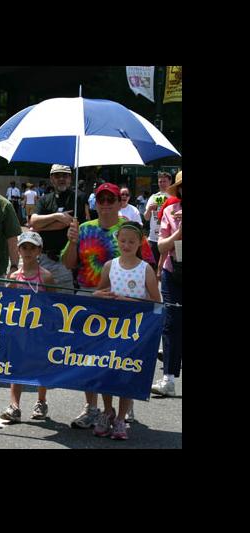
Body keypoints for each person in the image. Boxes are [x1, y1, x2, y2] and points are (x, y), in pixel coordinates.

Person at [61, 183, 155, 428]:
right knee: (88, 357)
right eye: (100, 199)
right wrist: (72, 242)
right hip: (90, 297)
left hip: (123, 304)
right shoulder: (83, 228)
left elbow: (147, 266)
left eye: (110, 199)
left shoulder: (129, 229)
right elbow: (69, 264)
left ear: (118, 202)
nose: (105, 204)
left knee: (120, 358)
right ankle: (92, 407)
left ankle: (124, 403)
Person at [91, 221, 162, 440]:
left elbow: (156, 301)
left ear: (140, 242)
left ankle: (121, 418)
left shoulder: (145, 269)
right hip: (110, 329)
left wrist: (129, 301)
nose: (127, 245)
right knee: (106, 370)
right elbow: (100, 291)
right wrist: (99, 295)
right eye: (123, 241)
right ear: (117, 241)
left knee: (126, 374)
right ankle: (107, 411)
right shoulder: (110, 265)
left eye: (132, 242)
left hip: (134, 331)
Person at [0, 231, 55, 424]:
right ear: (19, 250)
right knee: (17, 365)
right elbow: (6, 302)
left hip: (40, 329)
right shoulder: (15, 276)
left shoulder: (46, 276)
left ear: (39, 250)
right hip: (20, 330)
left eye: (32, 248)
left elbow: (54, 303)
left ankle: (41, 401)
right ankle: (14, 405)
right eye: (24, 247)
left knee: (40, 364)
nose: (28, 251)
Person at [28, 164, 87, 293]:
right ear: (51, 179)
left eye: (65, 176)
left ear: (70, 178)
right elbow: (33, 221)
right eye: (57, 176)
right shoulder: (44, 199)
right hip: (44, 259)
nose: (61, 179)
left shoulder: (78, 199)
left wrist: (41, 226)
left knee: (64, 300)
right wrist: (57, 216)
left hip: (67, 262)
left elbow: (71, 224)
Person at [152, 170, 182, 397]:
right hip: (173, 272)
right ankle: (168, 379)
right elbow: (161, 246)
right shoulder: (170, 210)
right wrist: (178, 233)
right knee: (170, 323)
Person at [144, 171, 171, 272]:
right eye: (160, 181)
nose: (162, 184)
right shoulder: (153, 197)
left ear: (170, 182)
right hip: (153, 238)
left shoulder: (174, 197)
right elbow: (146, 218)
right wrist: (149, 209)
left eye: (164, 181)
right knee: (152, 269)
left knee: (167, 268)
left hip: (169, 238)